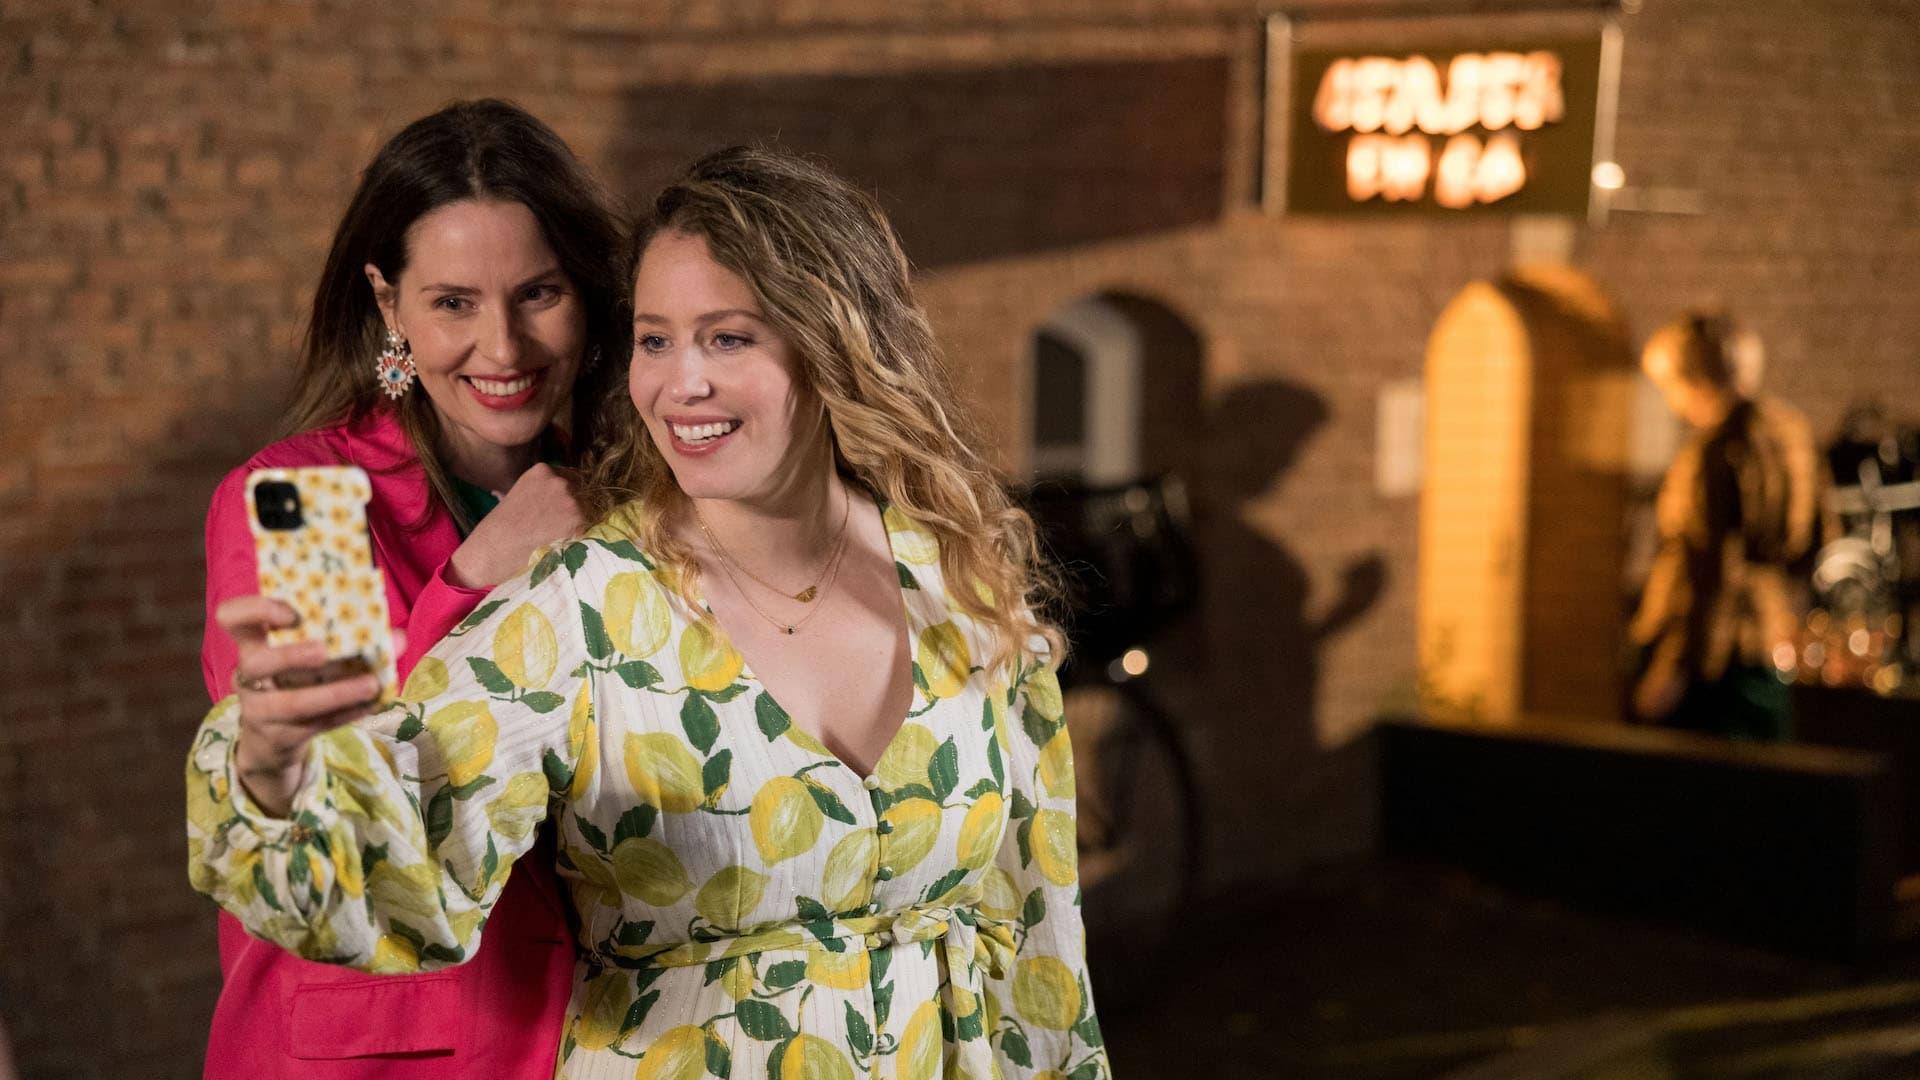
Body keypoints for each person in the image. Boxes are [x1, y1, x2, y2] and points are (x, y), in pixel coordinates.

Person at [189, 144, 1110, 1080]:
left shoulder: (961, 576)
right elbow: (393, 846)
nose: (682, 383)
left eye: (729, 337)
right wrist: (272, 773)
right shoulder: (552, 596)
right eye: (657, 340)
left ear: (835, 342)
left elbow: (1038, 933)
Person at [196, 99, 626, 1078]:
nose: (504, 348)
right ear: (389, 305)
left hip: (591, 1037)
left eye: (539, 293)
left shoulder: (623, 497)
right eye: (454, 303)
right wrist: (475, 577)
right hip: (383, 1054)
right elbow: (344, 786)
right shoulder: (300, 501)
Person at [1629, 311, 1820, 740]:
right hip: (1771, 644)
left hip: (1710, 663)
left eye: (1670, 385)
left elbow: (1707, 570)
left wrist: (1673, 666)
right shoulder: (1792, 434)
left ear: (1695, 379)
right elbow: (1817, 539)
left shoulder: (1714, 452)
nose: (1671, 402)